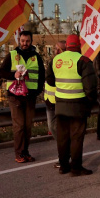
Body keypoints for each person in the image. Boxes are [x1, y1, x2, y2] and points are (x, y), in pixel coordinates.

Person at [46, 34, 97, 176]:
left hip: (60, 105)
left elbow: (50, 80)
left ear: (67, 45)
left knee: (62, 138)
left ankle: (63, 166)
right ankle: (76, 168)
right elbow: (90, 86)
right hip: (78, 106)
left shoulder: (55, 60)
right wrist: (91, 101)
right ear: (79, 45)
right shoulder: (83, 60)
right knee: (76, 137)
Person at [0, 30, 45, 163]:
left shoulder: (36, 57)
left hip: (30, 96)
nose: (25, 43)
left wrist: (38, 91)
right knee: (19, 126)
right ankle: (19, 154)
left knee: (28, 126)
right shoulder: (12, 55)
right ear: (19, 40)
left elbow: (41, 76)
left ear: (31, 41)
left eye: (27, 41)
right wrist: (14, 75)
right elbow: (1, 72)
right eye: (23, 41)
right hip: (15, 96)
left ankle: (25, 152)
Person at [44, 40, 66, 168]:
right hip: (50, 101)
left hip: (61, 101)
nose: (56, 51)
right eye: (55, 49)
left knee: (60, 130)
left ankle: (63, 155)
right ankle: (64, 152)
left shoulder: (65, 64)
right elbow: (48, 79)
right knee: (52, 128)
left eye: (59, 49)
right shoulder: (52, 62)